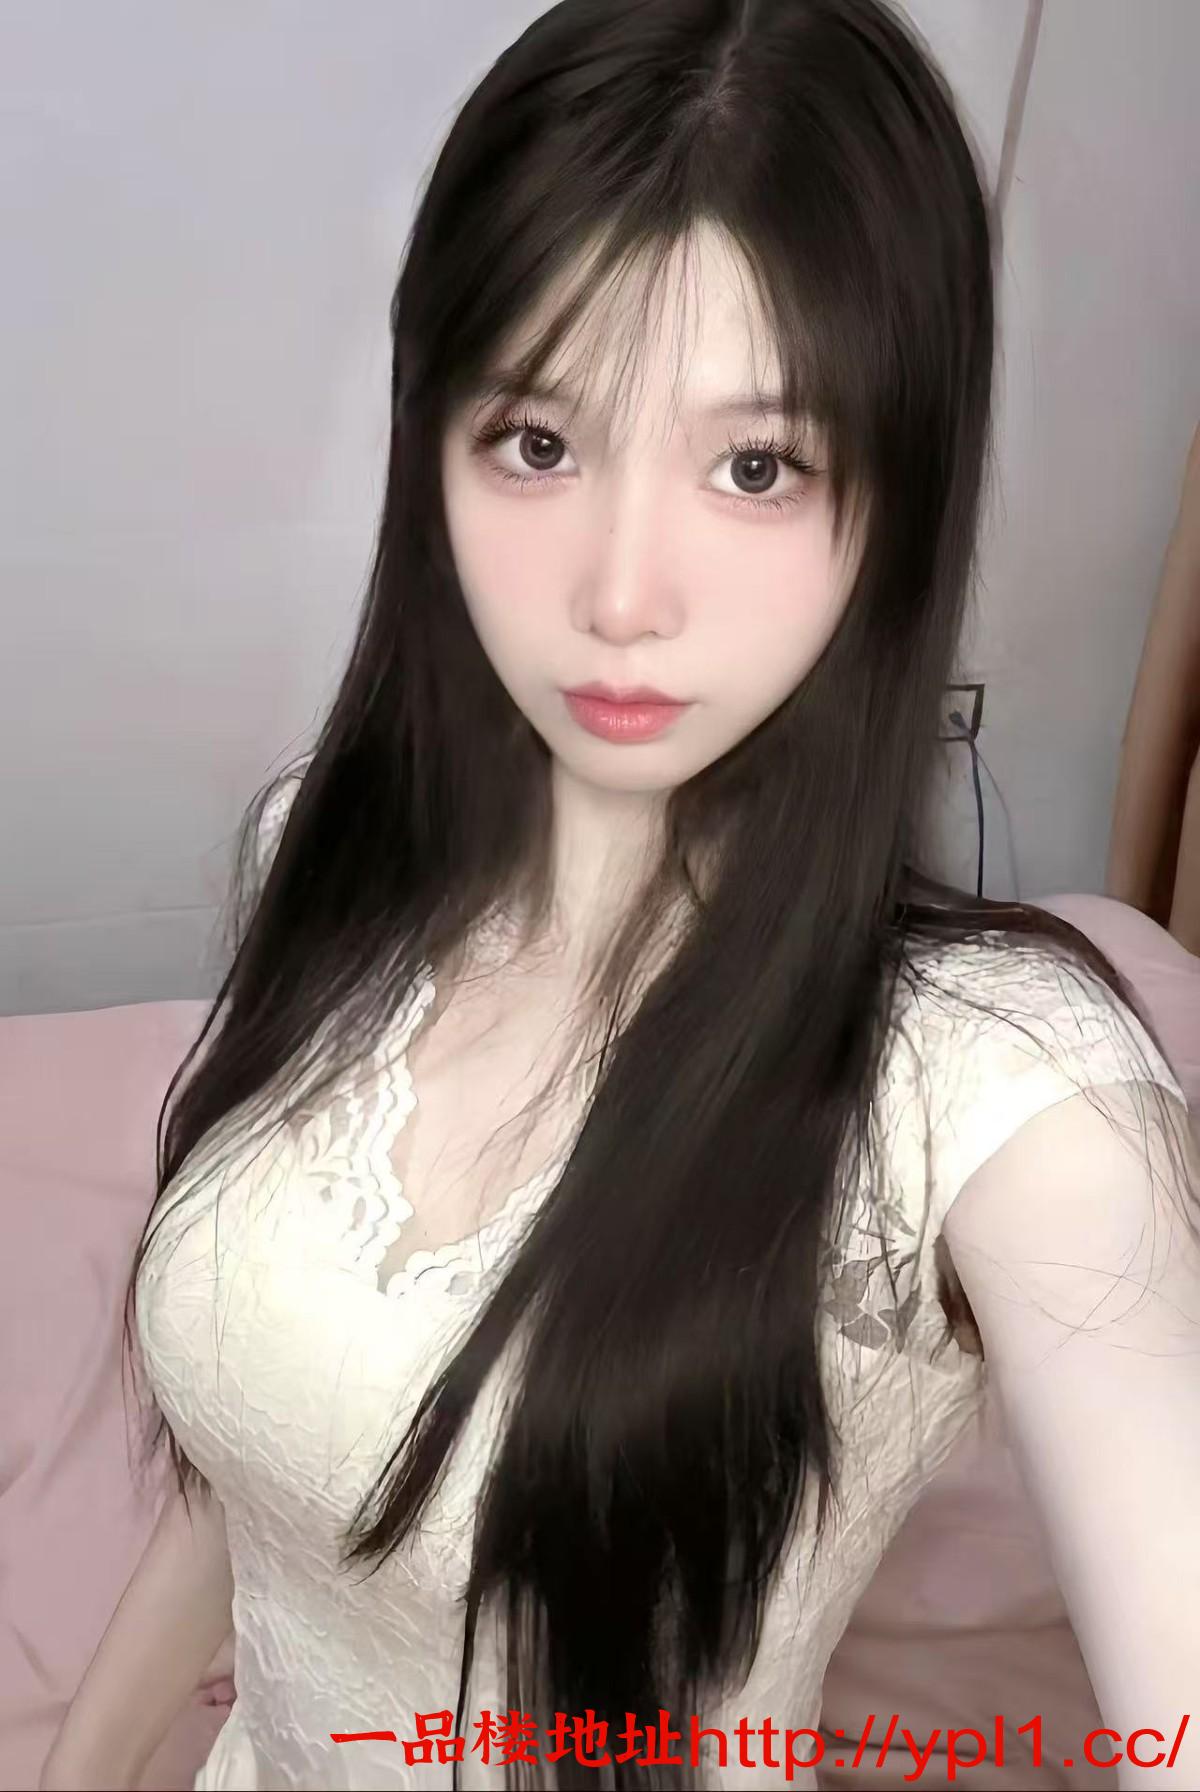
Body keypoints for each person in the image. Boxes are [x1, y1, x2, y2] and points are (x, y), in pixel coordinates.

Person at [41, 1, 1199, 1788]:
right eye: (538, 442)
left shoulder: (1002, 1095)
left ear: (898, 488)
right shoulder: (320, 856)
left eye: (754, 466)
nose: (621, 594)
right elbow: (263, 1473)